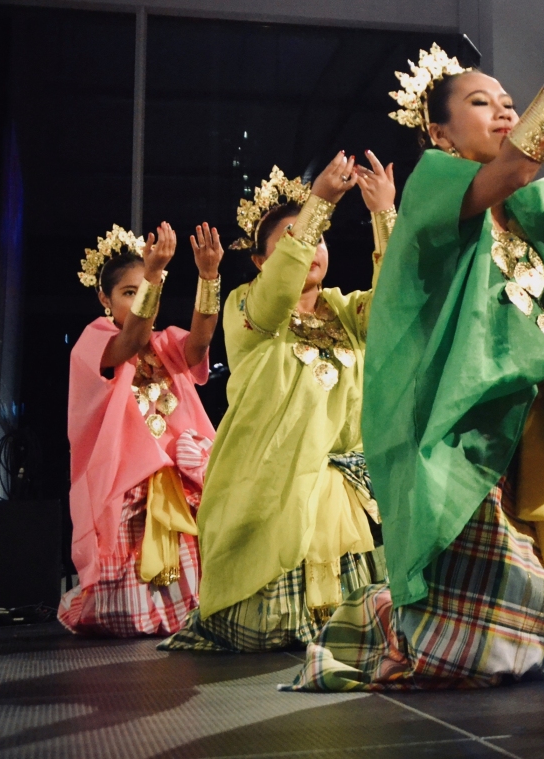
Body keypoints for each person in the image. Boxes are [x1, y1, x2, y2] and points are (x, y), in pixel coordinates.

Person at [292, 0, 544, 691]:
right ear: (440, 134)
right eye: (482, 102)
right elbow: (518, 161)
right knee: (475, 652)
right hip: (465, 429)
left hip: (535, 418)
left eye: (507, 100)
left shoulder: (532, 209)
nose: (505, 109)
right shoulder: (433, 189)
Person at [160, 151, 399, 652]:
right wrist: (318, 204)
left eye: (319, 236)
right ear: (261, 262)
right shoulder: (248, 307)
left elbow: (397, 305)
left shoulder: (345, 310)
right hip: (270, 481)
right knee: (263, 636)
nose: (312, 246)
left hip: (340, 487)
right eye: (293, 238)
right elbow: (275, 294)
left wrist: (383, 214)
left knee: (357, 634)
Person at [59, 221, 222, 636]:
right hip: (129, 478)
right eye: (128, 293)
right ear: (104, 298)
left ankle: (185, 617)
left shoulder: (166, 343)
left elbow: (200, 344)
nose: (138, 301)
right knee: (129, 573)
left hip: (179, 471)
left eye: (146, 291)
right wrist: (152, 274)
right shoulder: (94, 340)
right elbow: (130, 341)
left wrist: (208, 277)